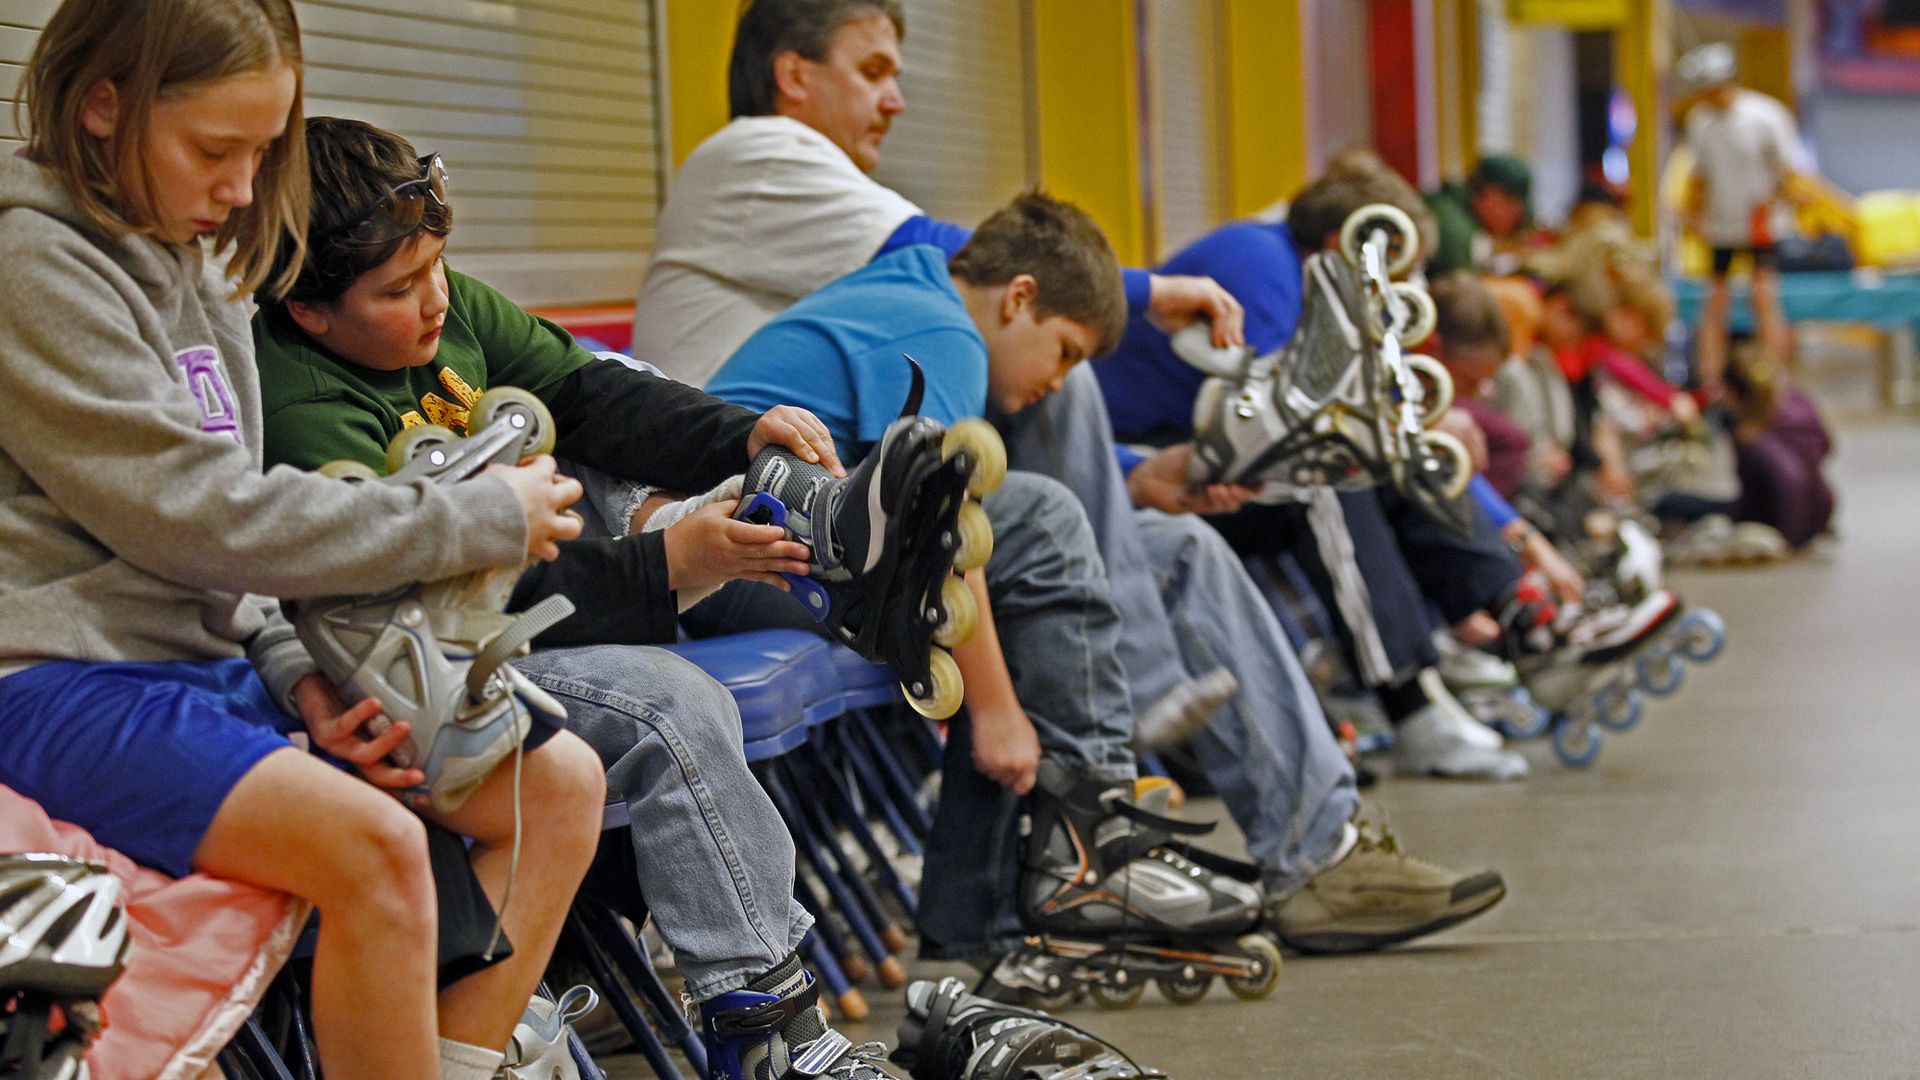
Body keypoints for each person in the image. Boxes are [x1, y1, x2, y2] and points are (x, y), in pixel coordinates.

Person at [0, 4, 605, 1079]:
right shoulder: (33, 265)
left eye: (263, 152)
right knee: (376, 850)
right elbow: (198, 512)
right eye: (214, 150)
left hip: (210, 666)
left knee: (558, 789)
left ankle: (463, 1064)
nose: (242, 189)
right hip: (63, 681)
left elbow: (230, 539)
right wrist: (468, 518)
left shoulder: (201, 262)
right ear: (103, 107)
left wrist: (298, 678)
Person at [705, 192, 1509, 973]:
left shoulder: (941, 304)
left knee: (1179, 547)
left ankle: (1318, 852)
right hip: (743, 561)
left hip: (834, 550)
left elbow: (935, 517)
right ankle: (1095, 828)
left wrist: (1142, 475)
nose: (1059, 379)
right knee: (1043, 525)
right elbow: (935, 528)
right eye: (1064, 352)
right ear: (1019, 298)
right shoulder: (936, 324)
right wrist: (997, 713)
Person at [254, 116, 900, 1080]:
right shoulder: (304, 409)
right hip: (422, 654)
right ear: (309, 309)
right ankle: (766, 1035)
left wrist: (739, 433)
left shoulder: (442, 306)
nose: (437, 301)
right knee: (673, 710)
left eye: (439, 266)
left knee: (586, 428)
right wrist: (665, 568)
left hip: (517, 600)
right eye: (398, 290)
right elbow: (441, 598)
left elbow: (590, 391)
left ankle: (798, 516)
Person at [635, 0, 1255, 744]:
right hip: (733, 500)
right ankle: (1122, 736)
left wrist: (1127, 472)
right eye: (873, 73)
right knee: (1041, 503)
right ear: (793, 75)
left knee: (1185, 549)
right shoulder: (760, 154)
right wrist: (1152, 291)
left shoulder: (867, 240)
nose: (897, 100)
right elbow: (974, 269)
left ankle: (1318, 830)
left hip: (834, 487)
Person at [1096, 159, 1541, 781]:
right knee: (1324, 483)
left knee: (1370, 469)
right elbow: (1297, 421)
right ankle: (1412, 707)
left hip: (1198, 447)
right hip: (1135, 461)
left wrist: (1518, 533)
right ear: (1345, 244)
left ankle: (1508, 614)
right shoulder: (1260, 264)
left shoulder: (1315, 282)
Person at [1676, 42, 1805, 385]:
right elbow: (1699, 176)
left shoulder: (1765, 116)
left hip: (1760, 221)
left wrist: (1777, 202)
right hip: (1722, 224)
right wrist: (1690, 213)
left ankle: (1773, 376)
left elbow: (1788, 173)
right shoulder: (1700, 122)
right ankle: (1710, 378)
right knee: (1715, 300)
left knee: (1764, 297)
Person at [1426, 154, 1554, 277]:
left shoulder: (1454, 212)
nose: (1517, 220)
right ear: (1492, 195)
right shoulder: (1453, 227)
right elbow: (1464, 290)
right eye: (1513, 206)